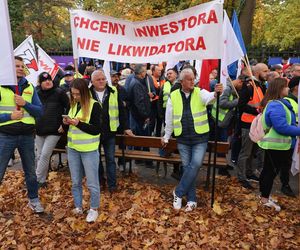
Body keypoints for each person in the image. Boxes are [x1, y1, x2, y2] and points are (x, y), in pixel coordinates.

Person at [162, 68, 223, 212]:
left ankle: (178, 192)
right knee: (188, 167)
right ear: (182, 81)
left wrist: (216, 93)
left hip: (200, 138)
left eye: (193, 78)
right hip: (183, 138)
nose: (192, 81)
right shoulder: (174, 95)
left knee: (194, 165)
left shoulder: (199, 92)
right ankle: (192, 200)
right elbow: (169, 118)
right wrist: (166, 136)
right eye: (189, 79)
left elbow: (210, 98)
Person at [0, 56, 44, 213]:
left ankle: (34, 200)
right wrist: (9, 117)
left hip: (26, 136)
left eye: (21, 66)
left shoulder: (30, 87)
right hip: (5, 135)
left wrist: (25, 104)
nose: (20, 68)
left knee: (31, 172)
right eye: (16, 65)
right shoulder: (1, 86)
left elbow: (40, 111)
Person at [258, 78, 300, 211]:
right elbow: (282, 127)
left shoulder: (278, 103)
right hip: (276, 146)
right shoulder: (276, 105)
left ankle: (265, 196)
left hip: (278, 146)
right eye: (286, 87)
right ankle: (264, 199)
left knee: (269, 171)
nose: (288, 89)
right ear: (279, 89)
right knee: (269, 172)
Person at [63, 78, 101, 222]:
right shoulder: (73, 104)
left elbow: (96, 130)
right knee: (75, 181)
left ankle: (94, 209)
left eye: (78, 94)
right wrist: (66, 122)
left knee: (92, 183)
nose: (75, 96)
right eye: (73, 94)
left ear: (85, 92)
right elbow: (70, 127)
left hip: (89, 150)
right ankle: (78, 206)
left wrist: (79, 124)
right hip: (73, 148)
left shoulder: (95, 106)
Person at [90, 70, 133, 194]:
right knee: (96, 159)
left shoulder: (113, 92)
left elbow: (122, 110)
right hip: (94, 132)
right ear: (92, 82)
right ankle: (100, 182)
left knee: (110, 159)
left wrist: (126, 127)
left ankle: (112, 185)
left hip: (110, 132)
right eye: (98, 79)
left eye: (103, 79)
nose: (101, 81)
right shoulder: (87, 94)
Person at [35, 72, 69, 187]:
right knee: (39, 155)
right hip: (39, 130)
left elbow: (69, 107)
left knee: (45, 155)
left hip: (54, 130)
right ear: (40, 83)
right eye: (44, 80)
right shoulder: (36, 93)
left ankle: (36, 180)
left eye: (49, 79)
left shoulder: (59, 92)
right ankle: (42, 181)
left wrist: (63, 124)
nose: (48, 81)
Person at [237, 63, 268, 189]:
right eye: (265, 71)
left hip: (257, 123)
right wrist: (255, 110)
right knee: (245, 152)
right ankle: (241, 177)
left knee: (253, 151)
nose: (267, 73)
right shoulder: (249, 85)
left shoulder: (261, 85)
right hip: (248, 123)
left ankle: (249, 173)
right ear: (257, 72)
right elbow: (241, 104)